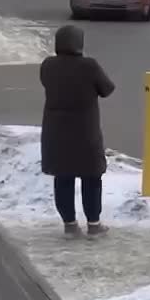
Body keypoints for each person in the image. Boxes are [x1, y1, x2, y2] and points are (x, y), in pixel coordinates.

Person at [40, 25, 115, 238]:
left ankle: (70, 226)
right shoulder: (89, 66)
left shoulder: (48, 65)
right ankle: (93, 224)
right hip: (85, 132)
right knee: (91, 178)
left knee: (63, 178)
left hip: (55, 133)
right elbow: (107, 89)